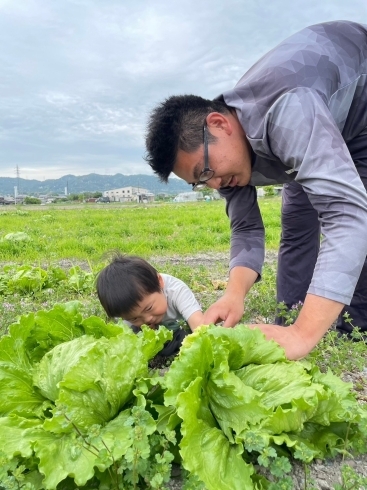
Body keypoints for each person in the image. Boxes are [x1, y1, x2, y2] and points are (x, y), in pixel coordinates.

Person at [144, 20, 367, 360]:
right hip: (317, 124)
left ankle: (353, 326)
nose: (213, 185)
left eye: (205, 172)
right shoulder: (223, 160)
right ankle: (288, 316)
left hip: (360, 112)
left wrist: (303, 335)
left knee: (355, 207)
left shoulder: (288, 111)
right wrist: (234, 294)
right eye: (199, 182)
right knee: (296, 219)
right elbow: (246, 227)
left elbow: (348, 215)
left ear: (218, 123)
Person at [96, 253, 204, 356]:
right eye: (134, 318)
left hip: (179, 327)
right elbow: (124, 339)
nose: (147, 319)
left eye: (149, 308)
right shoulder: (125, 311)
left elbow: (200, 326)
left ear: (159, 282)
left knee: (184, 339)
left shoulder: (177, 291)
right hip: (157, 334)